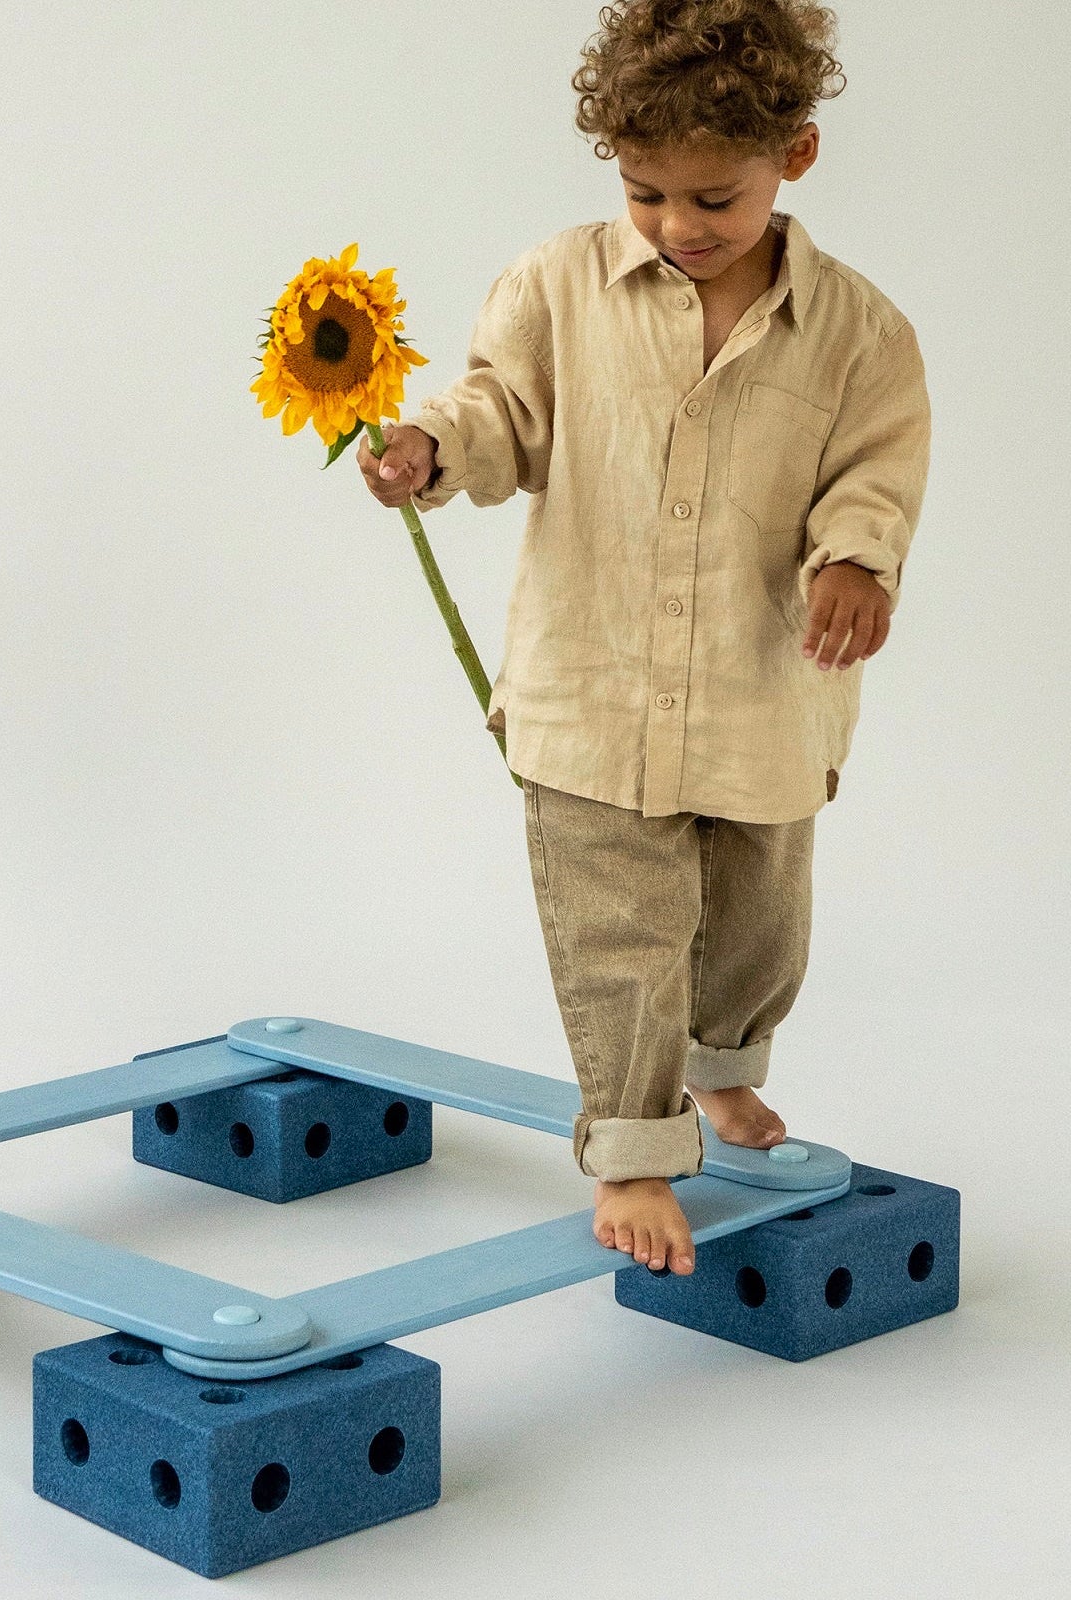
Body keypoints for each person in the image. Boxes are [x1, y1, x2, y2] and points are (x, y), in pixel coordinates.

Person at [357, 0, 930, 1277]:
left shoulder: (859, 332)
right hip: (593, 687)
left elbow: (875, 465)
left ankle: (721, 1064)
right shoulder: (555, 285)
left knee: (755, 918)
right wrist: (430, 448)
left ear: (795, 155)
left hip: (762, 688)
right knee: (620, 927)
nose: (677, 224)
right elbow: (500, 408)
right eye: (644, 192)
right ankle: (630, 1146)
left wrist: (856, 557)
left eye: (714, 197)